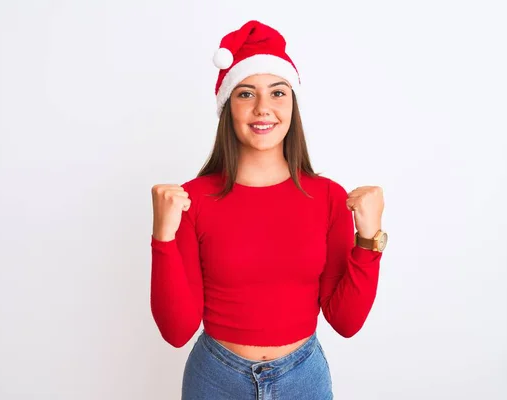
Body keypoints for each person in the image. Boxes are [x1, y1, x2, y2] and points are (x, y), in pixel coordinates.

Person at [150, 20, 388, 400]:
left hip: (303, 379)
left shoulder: (328, 198)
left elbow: (345, 322)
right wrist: (161, 238)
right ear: (228, 107)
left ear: (292, 103)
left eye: (278, 92)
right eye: (246, 94)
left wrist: (369, 239)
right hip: (215, 379)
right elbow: (176, 331)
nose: (263, 108)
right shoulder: (191, 200)